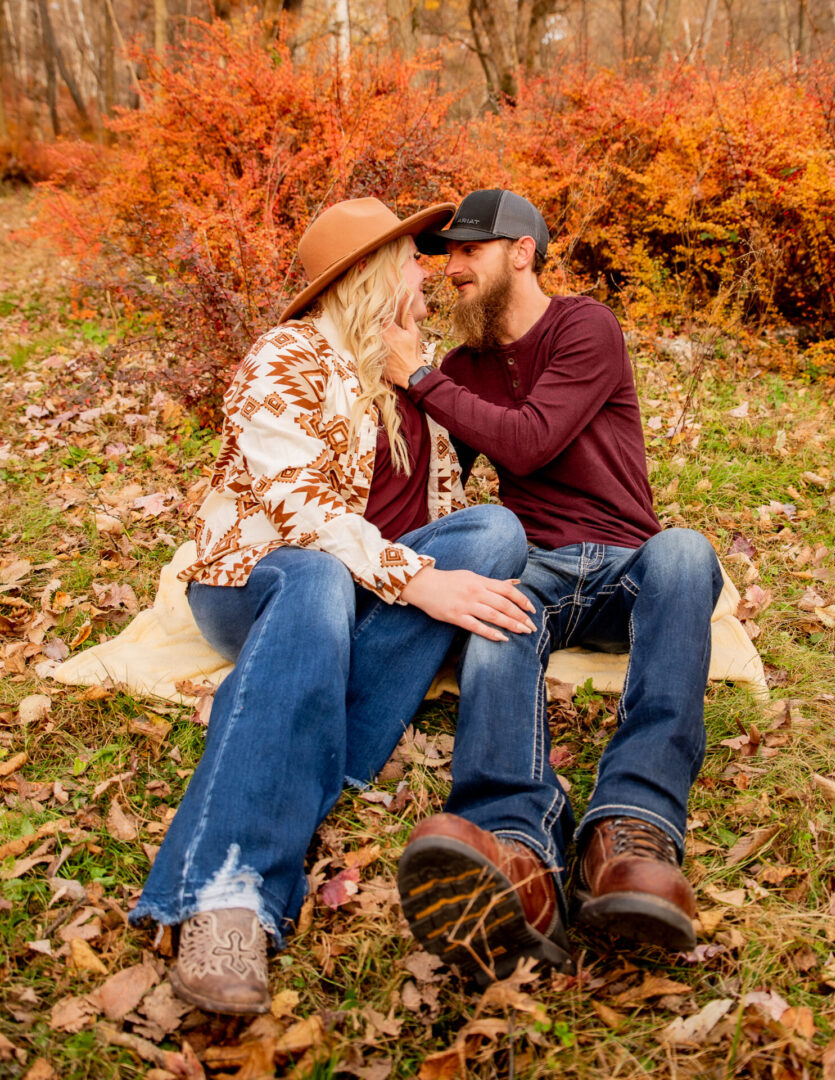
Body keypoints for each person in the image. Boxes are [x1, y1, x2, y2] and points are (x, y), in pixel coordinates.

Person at [129, 197, 539, 1014]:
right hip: (257, 578)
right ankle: (227, 890)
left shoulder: (411, 366)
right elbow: (300, 512)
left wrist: (434, 570)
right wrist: (421, 584)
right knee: (316, 575)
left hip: (364, 589)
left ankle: (306, 739)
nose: (428, 273)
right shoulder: (288, 355)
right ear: (370, 275)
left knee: (494, 530)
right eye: (411, 260)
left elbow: (441, 513)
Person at [382, 190, 725, 985]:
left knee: (685, 552)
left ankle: (633, 826)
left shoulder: (584, 327)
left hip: (624, 565)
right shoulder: (463, 368)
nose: (454, 266)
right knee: (496, 605)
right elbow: (427, 492)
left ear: (523, 252)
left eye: (471, 249)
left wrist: (422, 377)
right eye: (445, 256)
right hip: (535, 566)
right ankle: (518, 852)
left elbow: (530, 442)